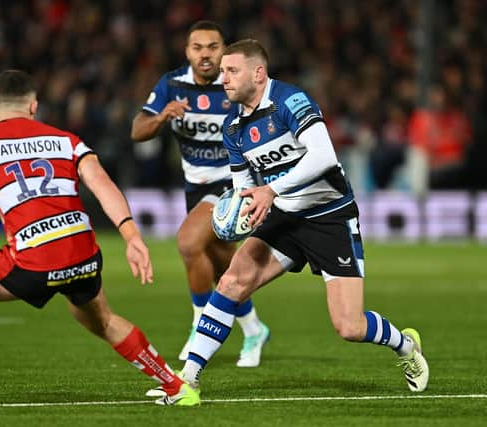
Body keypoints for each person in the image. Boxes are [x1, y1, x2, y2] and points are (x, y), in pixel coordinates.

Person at [0, 70, 200, 407]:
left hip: (32, 260)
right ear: (33, 106)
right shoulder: (66, 140)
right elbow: (103, 185)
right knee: (101, 319)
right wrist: (132, 236)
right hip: (83, 253)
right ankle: (176, 387)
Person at [177, 39, 430, 400]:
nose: (224, 79)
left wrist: (272, 191)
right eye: (222, 72)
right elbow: (245, 185)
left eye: (232, 71)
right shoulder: (232, 128)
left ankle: (406, 346)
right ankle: (187, 380)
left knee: (349, 325)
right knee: (232, 281)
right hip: (283, 217)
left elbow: (324, 157)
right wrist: (242, 212)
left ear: (258, 73)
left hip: (329, 216)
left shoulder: (289, 102)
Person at [131, 21, 270, 371]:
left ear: (224, 50)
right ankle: (254, 329)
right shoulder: (172, 85)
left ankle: (198, 323)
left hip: (233, 183)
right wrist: (163, 115)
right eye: (198, 47)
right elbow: (137, 130)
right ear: (187, 51)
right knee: (225, 266)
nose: (205, 54)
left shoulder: (235, 85)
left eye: (212, 47)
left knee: (188, 243)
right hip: (194, 187)